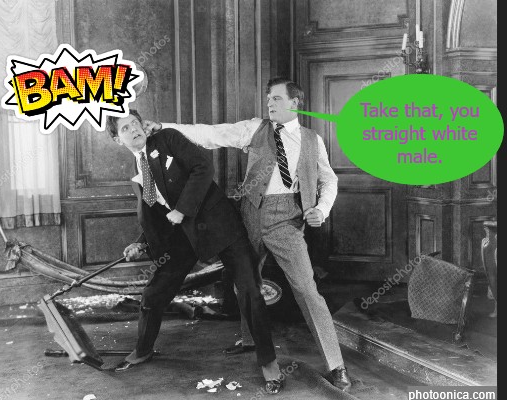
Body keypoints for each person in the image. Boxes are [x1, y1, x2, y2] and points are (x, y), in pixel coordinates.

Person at [143, 77, 352, 391]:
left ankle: (336, 365)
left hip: (288, 220)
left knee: (308, 291)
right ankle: (249, 338)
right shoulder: (255, 128)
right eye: (268, 99)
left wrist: (321, 210)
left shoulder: (313, 140)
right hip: (250, 213)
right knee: (244, 280)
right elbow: (210, 134)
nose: (270, 103)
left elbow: (329, 180)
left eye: (277, 98)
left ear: (295, 102)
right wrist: (163, 127)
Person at [105, 109, 284, 394]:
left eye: (135, 123)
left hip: (220, 225)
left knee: (250, 290)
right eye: (125, 128)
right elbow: (156, 212)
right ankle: (143, 350)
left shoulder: (168, 139)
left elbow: (203, 168)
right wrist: (141, 242)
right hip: (183, 237)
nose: (134, 130)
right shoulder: (137, 171)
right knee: (153, 293)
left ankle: (269, 363)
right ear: (117, 139)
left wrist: (181, 210)